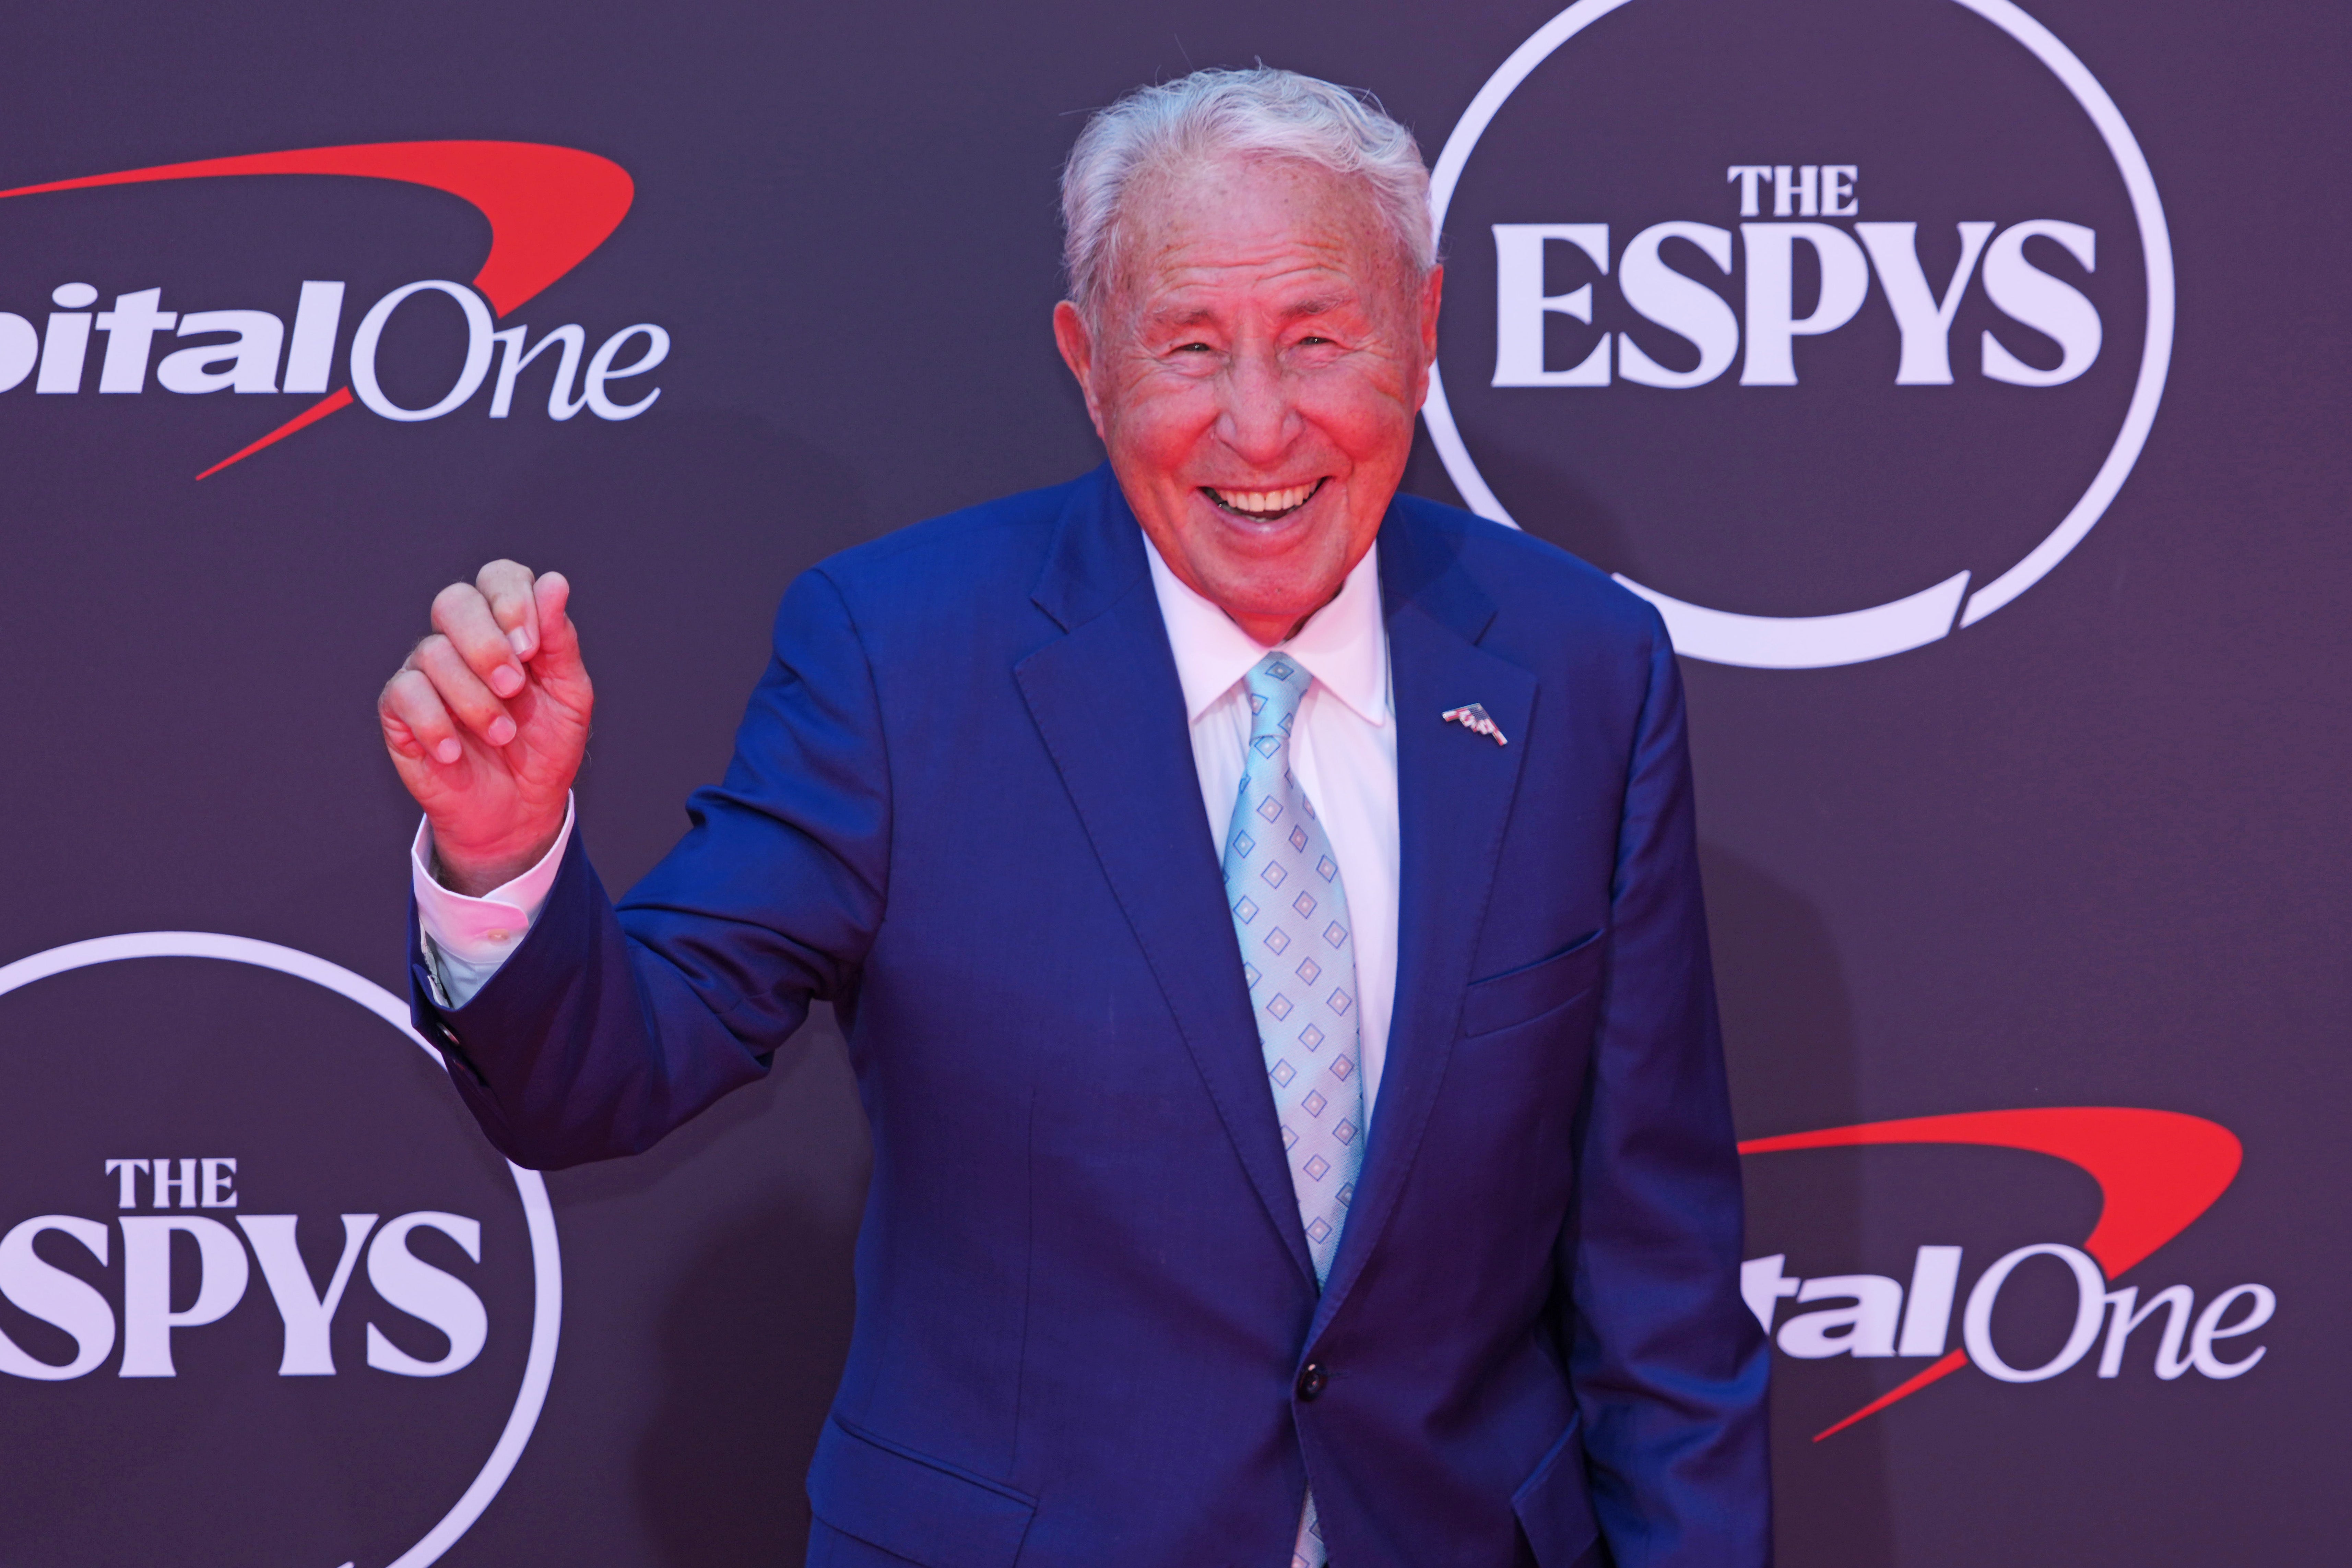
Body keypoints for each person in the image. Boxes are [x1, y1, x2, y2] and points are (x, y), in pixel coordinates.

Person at [378, 67, 1767, 1568]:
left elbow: (1657, 1283)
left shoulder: (1580, 667)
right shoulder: (898, 655)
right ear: (1086, 360)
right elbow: (607, 1074)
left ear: (1420, 335)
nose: (1257, 427)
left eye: (1316, 340)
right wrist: (504, 856)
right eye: (1187, 349)